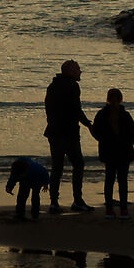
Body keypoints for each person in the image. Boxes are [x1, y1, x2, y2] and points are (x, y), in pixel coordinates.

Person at [42, 59, 92, 214]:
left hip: (54, 132)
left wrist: (52, 123)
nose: (80, 71)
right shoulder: (72, 86)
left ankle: (54, 202)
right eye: (78, 69)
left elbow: (48, 109)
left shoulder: (52, 86)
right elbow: (75, 109)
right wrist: (89, 124)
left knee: (57, 167)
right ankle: (77, 200)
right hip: (68, 133)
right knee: (78, 164)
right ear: (70, 71)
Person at [91, 88, 134, 217]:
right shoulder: (125, 115)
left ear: (107, 98)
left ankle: (109, 209)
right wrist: (131, 140)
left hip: (108, 151)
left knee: (109, 180)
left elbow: (95, 131)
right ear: (121, 99)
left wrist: (102, 140)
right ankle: (124, 209)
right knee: (123, 180)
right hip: (124, 151)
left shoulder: (101, 114)